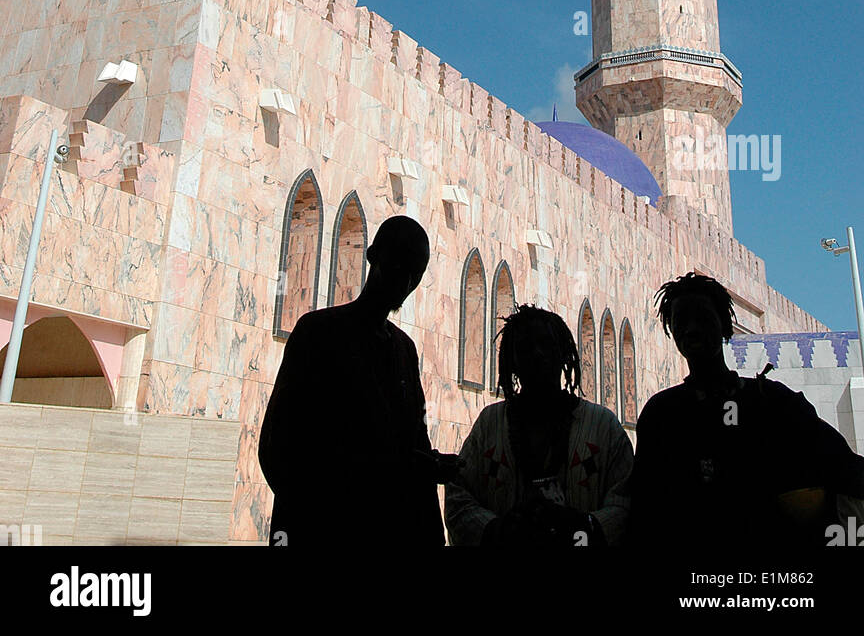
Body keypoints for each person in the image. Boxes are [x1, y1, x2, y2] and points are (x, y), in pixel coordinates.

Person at [258, 214, 459, 548]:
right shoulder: (319, 333)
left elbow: (412, 443)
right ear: (374, 255)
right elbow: (279, 448)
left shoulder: (404, 350)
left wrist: (430, 466)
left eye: (416, 272)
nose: (406, 280)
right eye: (400, 262)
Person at [629, 271, 864, 550]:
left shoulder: (774, 403)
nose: (691, 329)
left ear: (725, 327)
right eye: (681, 321)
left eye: (702, 318)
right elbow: (644, 510)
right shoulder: (662, 415)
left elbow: (842, 466)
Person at [444, 304, 633, 546]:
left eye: (546, 345)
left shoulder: (602, 427)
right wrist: (497, 530)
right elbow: (460, 496)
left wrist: (582, 528)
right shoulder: (490, 424)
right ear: (512, 361)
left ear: (564, 354)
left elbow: (626, 503)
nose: (537, 355)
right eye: (525, 348)